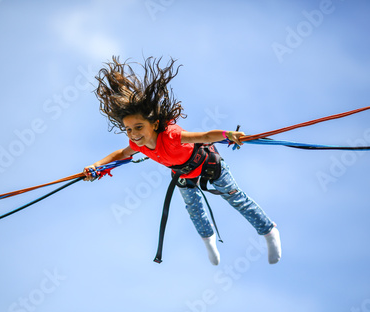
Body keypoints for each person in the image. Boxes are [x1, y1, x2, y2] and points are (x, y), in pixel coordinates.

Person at [83, 57, 281, 266]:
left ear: (155, 123)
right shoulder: (139, 145)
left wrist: (228, 134)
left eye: (139, 127)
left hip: (210, 166)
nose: (133, 134)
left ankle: (269, 231)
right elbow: (121, 154)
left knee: (237, 200)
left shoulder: (171, 135)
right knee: (194, 211)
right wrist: (97, 167)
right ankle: (210, 242)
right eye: (129, 129)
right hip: (184, 175)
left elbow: (204, 137)